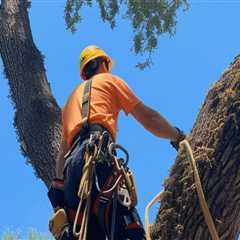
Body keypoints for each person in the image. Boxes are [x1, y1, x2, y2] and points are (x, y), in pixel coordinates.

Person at [48, 45, 185, 240]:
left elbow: (61, 155)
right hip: (98, 161)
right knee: (128, 232)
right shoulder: (110, 81)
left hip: (72, 177)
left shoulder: (69, 102)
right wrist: (178, 136)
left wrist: (61, 196)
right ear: (103, 63)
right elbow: (148, 118)